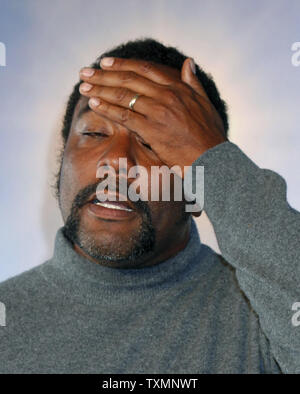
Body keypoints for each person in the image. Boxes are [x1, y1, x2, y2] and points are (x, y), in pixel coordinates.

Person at [0, 38, 299, 374]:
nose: (116, 160)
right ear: (62, 157)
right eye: (95, 132)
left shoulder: (267, 318)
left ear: (199, 188)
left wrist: (216, 162)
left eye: (153, 143)